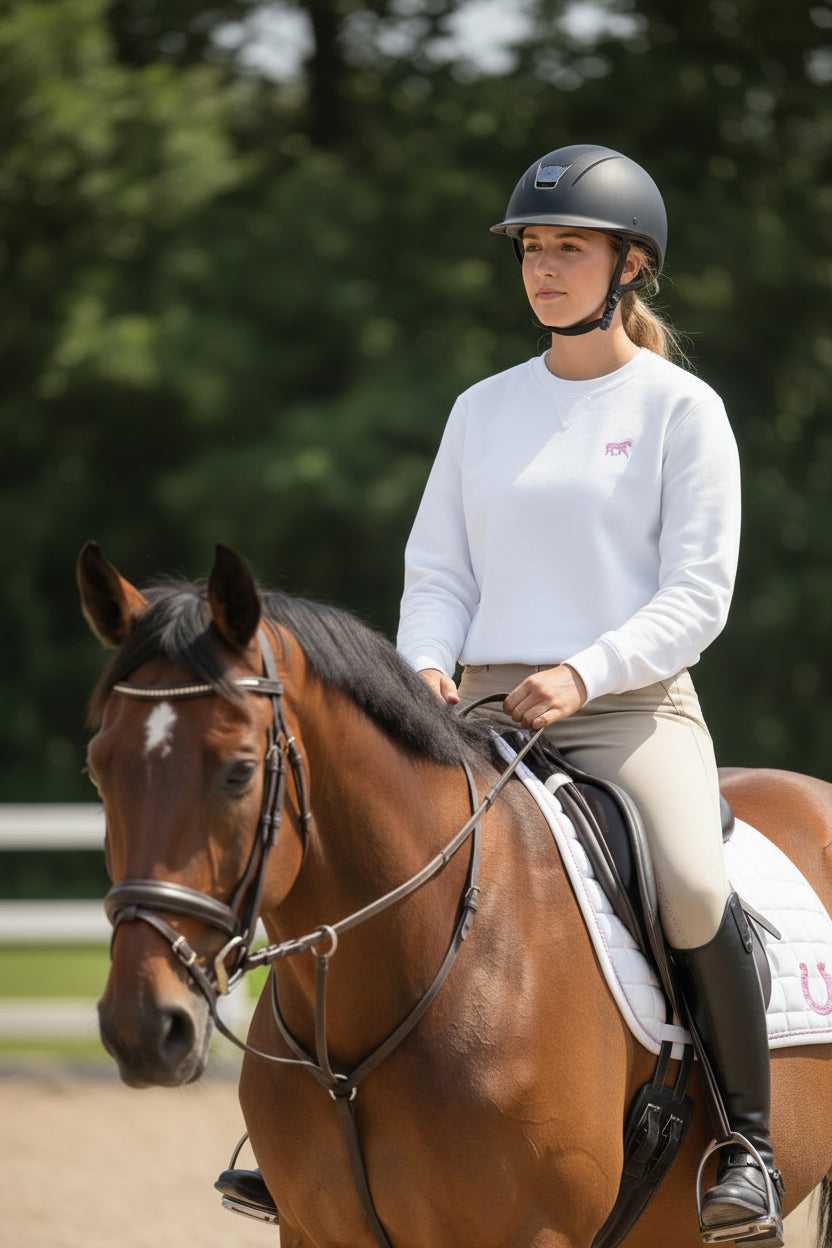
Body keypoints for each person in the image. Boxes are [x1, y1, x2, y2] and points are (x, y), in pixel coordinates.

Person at [395, 143, 784, 1247]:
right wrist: (425, 664)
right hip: (475, 710)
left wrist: (582, 671)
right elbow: (440, 574)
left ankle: (745, 1144)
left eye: (568, 247)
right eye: (531, 247)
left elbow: (698, 592)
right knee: (367, 858)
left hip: (628, 710)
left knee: (694, 885)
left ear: (630, 266)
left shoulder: (679, 410)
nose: (543, 267)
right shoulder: (481, 409)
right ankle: (308, 1130)